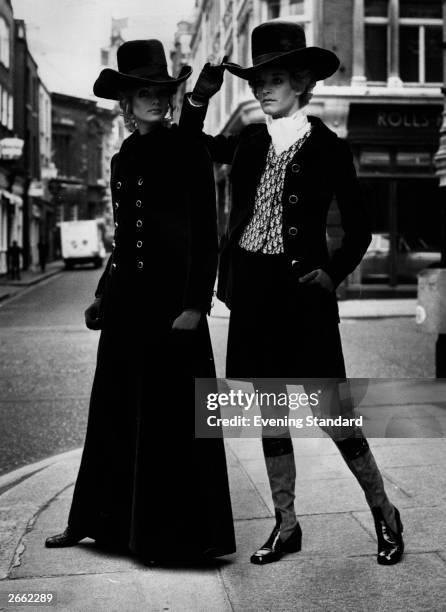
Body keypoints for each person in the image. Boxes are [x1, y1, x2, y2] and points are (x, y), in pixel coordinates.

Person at [180, 21, 404, 566]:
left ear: (301, 81)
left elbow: (359, 228)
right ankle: (287, 524)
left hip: (303, 299)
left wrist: (333, 273)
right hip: (253, 295)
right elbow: (190, 147)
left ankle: (384, 512)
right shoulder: (250, 141)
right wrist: (200, 98)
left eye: (274, 78)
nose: (262, 89)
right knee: (269, 413)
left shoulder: (330, 147)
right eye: (257, 80)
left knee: (335, 413)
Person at [45, 39, 236, 562]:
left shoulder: (187, 148)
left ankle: (170, 536)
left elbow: (205, 229)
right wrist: (103, 292)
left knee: (170, 421)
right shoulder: (122, 155)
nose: (154, 99)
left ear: (171, 98)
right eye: (142, 92)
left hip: (173, 307)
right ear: (125, 104)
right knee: (112, 413)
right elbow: (125, 237)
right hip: (128, 306)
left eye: (161, 90)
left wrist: (197, 303)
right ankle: (97, 523)